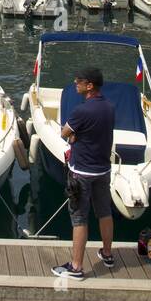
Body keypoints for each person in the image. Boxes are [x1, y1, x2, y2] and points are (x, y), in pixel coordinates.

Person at [52, 67, 116, 280]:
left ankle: (76, 267)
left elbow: (64, 133)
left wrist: (72, 139)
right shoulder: (109, 107)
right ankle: (107, 254)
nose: (75, 83)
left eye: (79, 81)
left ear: (89, 86)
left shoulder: (81, 111)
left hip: (81, 172)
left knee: (79, 218)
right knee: (104, 212)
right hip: (103, 170)